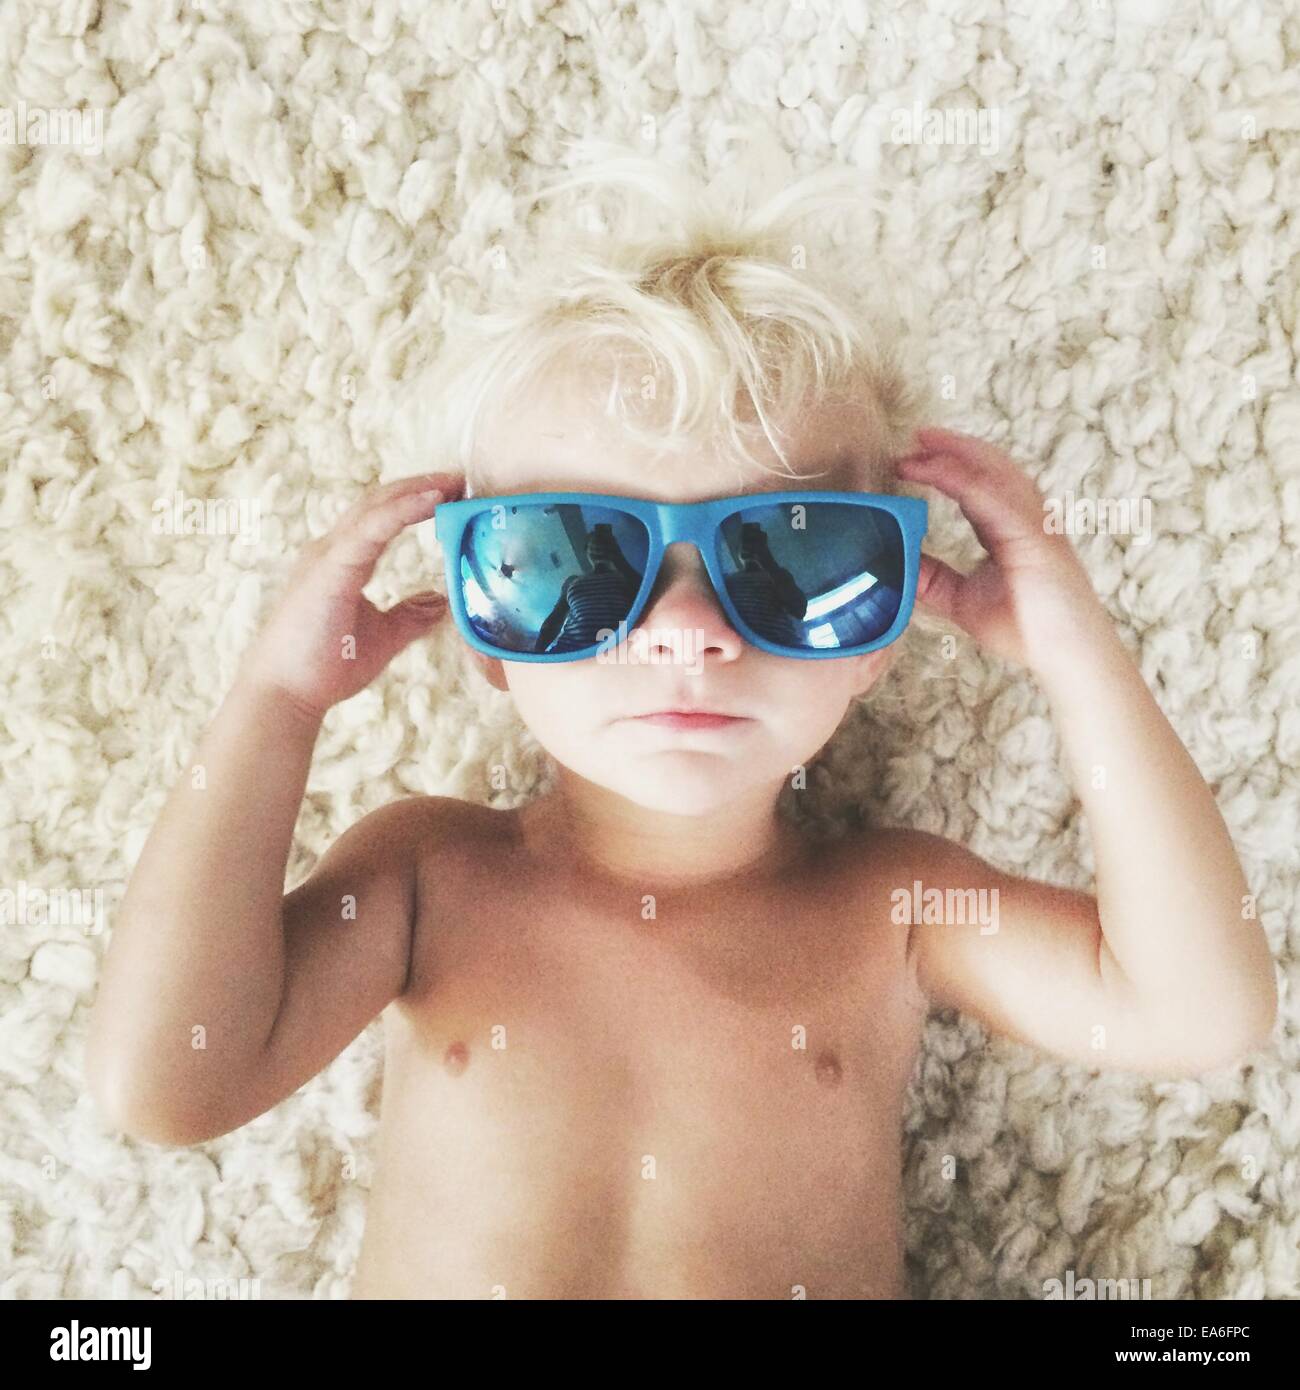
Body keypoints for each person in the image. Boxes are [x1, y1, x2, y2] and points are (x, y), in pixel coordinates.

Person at [84, 144, 1277, 1300]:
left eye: (795, 554)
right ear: (483, 627)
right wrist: (276, 703)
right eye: (574, 559)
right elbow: (169, 1083)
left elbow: (1199, 1008)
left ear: (884, 623)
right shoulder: (427, 875)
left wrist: (1078, 657)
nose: (686, 630)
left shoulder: (894, 910)